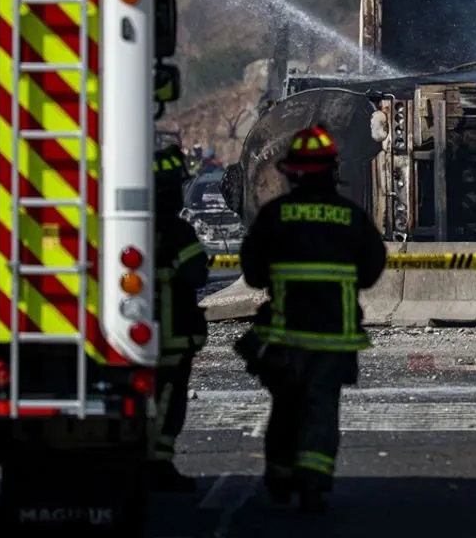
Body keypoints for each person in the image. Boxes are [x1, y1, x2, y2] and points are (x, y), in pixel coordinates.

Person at [236, 124, 387, 513]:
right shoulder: (350, 217)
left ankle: (281, 477)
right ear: (331, 172)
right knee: (321, 409)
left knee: (286, 406)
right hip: (334, 339)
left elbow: (252, 275)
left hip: (285, 337)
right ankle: (314, 483)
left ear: (292, 173)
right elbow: (371, 271)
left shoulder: (275, 216)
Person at [150, 146, 210, 491]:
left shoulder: (126, 228)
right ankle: (157, 462)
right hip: (172, 338)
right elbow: (196, 276)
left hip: (128, 338)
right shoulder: (179, 233)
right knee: (168, 400)